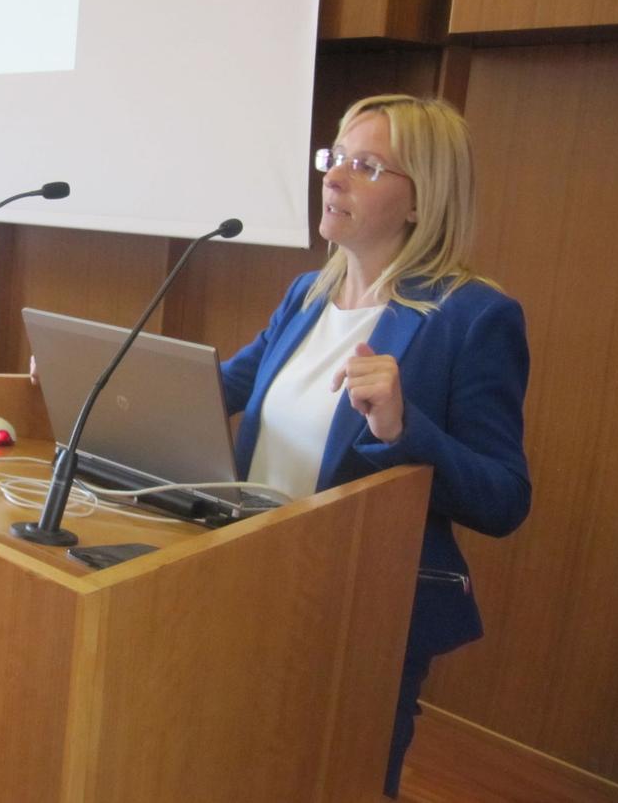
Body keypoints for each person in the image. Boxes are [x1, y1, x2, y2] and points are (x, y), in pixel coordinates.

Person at [219, 95, 530, 797]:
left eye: (365, 166)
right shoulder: (308, 294)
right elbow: (223, 387)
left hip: (361, 613)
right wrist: (106, 376)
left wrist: (402, 427)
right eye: (335, 158)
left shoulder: (472, 316)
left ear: (422, 200)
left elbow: (506, 497)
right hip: (248, 580)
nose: (333, 177)